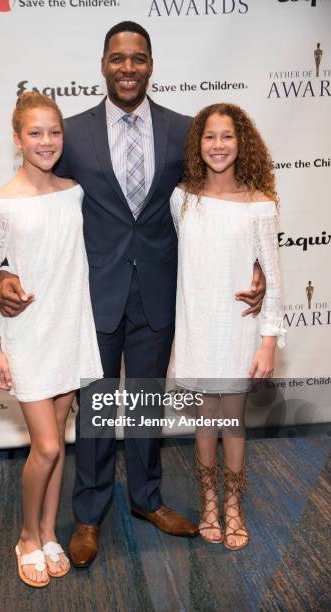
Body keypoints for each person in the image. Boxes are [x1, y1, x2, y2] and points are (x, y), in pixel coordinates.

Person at [0, 23, 266, 567]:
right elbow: (32, 205)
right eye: (118, 58)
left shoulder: (185, 131)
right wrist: (5, 269)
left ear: (150, 64)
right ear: (102, 64)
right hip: (89, 296)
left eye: (137, 58)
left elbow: (222, 198)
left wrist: (256, 261)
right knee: (95, 409)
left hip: (159, 295)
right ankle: (89, 515)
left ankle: (147, 499)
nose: (127, 68)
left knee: (144, 403)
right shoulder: (71, 134)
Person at [0, 92, 103, 587]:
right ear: (17, 139)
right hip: (27, 336)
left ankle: (50, 533)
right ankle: (27, 537)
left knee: (59, 442)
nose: (46, 141)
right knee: (47, 447)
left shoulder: (73, 191)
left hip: (71, 330)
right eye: (35, 133)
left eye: (53, 132)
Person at [170, 103, 286, 550]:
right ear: (198, 144)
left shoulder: (261, 205)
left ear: (243, 143)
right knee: (205, 421)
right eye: (210, 137)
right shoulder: (182, 198)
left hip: (240, 326)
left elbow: (271, 276)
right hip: (198, 325)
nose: (218, 146)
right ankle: (208, 505)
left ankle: (234, 506)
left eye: (228, 136)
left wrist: (269, 341)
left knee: (231, 420)